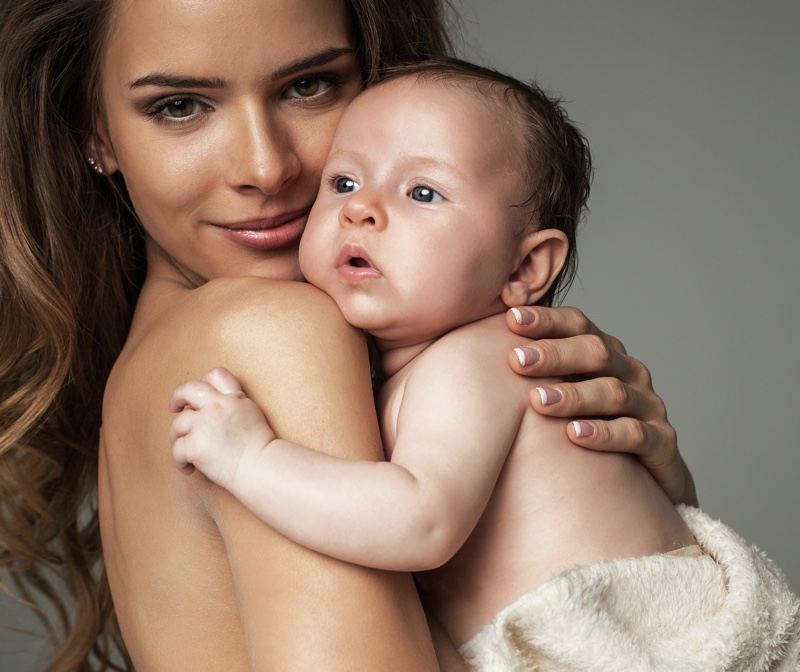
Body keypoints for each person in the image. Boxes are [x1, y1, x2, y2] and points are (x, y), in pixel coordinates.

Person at [0, 0, 696, 669]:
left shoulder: (153, 356)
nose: (266, 168)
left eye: (309, 86)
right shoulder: (274, 334)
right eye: (180, 105)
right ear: (95, 133)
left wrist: (638, 501)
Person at [169, 60, 800, 670]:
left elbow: (420, 522)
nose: (361, 210)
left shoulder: (482, 357)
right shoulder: (391, 371)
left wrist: (251, 458)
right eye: (344, 182)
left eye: (422, 192)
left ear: (524, 269)